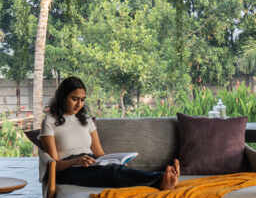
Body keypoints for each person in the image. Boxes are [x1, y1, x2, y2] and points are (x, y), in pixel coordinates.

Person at [38, 77, 178, 191]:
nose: (79, 104)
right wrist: (76, 161)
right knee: (111, 173)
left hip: (91, 162)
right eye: (74, 99)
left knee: (115, 169)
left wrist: (114, 161)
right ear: (63, 97)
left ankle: (164, 179)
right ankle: (162, 179)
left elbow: (99, 153)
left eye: (82, 100)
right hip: (68, 169)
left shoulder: (86, 120)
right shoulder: (50, 122)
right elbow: (54, 165)